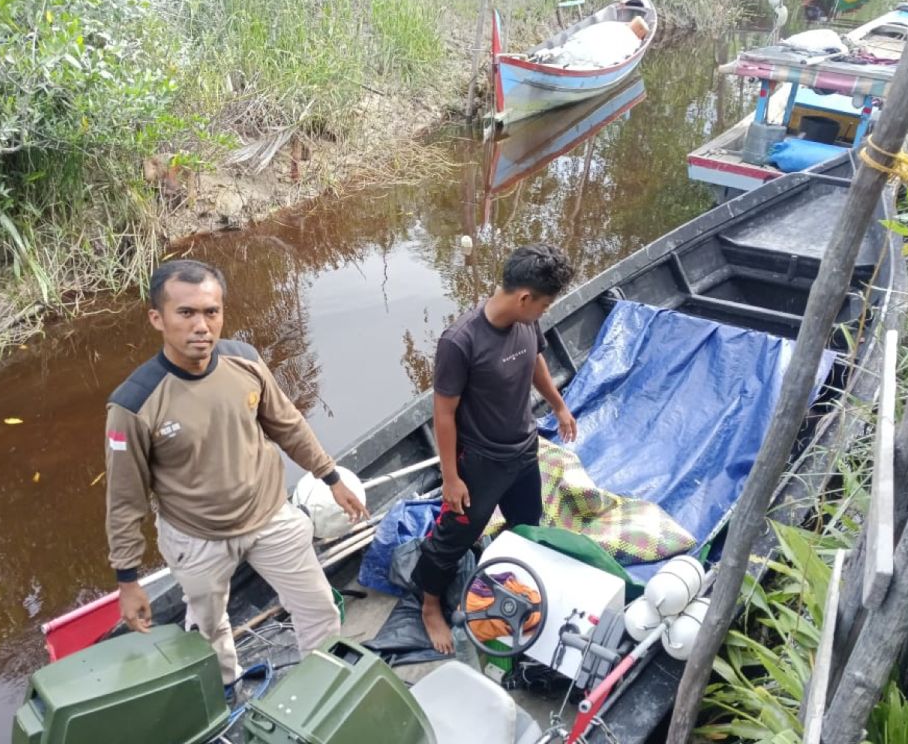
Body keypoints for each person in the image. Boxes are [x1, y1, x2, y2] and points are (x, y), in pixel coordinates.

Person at [105, 259, 367, 688]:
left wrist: (330, 478)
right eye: (186, 313)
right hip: (196, 536)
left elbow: (287, 425)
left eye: (212, 312)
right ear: (158, 318)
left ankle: (322, 688)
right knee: (209, 629)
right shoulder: (133, 404)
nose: (202, 326)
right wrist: (128, 580)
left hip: (270, 517)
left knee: (319, 609)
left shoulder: (244, 362)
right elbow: (124, 497)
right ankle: (228, 688)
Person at [413, 244, 578, 653]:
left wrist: (558, 406)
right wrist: (451, 479)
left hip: (524, 449)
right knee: (454, 535)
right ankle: (429, 606)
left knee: (527, 520)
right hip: (482, 462)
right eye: (544, 303)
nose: (545, 311)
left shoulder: (525, 323)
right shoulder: (461, 341)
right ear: (524, 298)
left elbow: (536, 360)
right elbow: (444, 415)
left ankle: (515, 578)